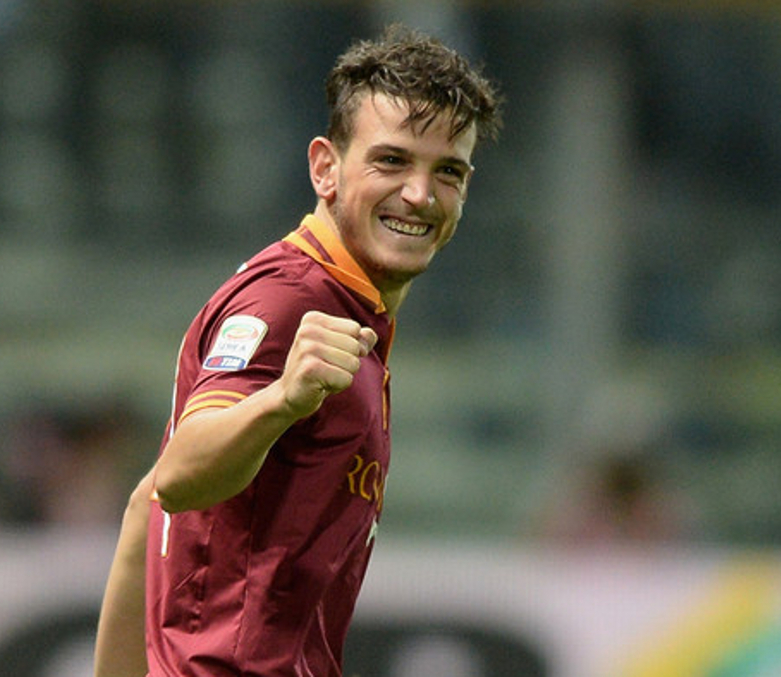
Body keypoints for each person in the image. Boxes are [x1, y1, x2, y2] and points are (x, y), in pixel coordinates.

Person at [94, 24, 501, 677]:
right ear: (325, 167)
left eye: (447, 171)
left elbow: (147, 506)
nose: (420, 195)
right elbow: (180, 475)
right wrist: (282, 400)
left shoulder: (347, 307)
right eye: (391, 161)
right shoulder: (289, 301)